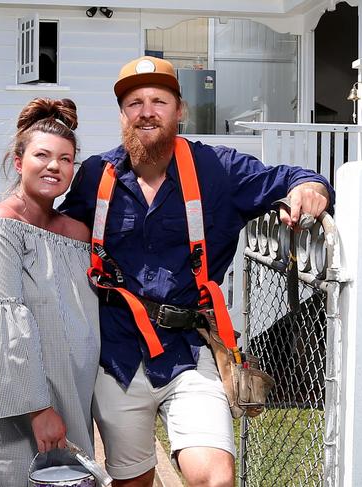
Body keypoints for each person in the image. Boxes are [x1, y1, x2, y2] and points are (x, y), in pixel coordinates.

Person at [59, 56, 335, 487]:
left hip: (192, 351)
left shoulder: (217, 170)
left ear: (179, 110)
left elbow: (292, 177)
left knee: (215, 479)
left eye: (159, 100)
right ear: (122, 114)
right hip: (115, 355)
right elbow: (58, 231)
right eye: (134, 102)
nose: (146, 111)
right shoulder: (97, 174)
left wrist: (311, 188)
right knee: (132, 481)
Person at [0, 98, 99, 486]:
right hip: (18, 404)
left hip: (73, 394)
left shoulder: (78, 234)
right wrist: (38, 409)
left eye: (66, 158)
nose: (54, 165)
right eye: (42, 155)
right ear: (19, 162)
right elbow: (4, 327)